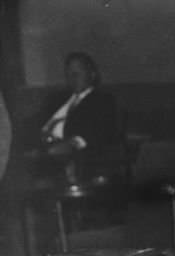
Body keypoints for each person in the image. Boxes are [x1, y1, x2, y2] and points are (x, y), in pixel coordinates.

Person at [40, 51, 119, 183]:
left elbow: (99, 131)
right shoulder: (57, 99)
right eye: (68, 73)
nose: (72, 77)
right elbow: (37, 121)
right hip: (43, 151)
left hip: (74, 157)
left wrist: (72, 144)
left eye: (77, 72)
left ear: (92, 74)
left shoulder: (102, 100)